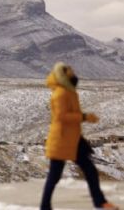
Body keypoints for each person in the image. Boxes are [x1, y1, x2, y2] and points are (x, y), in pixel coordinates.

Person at [41, 62, 118, 210]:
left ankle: (100, 202)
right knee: (55, 176)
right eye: (70, 70)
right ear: (63, 74)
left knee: (89, 170)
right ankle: (45, 207)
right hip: (62, 140)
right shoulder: (61, 93)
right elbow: (61, 116)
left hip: (73, 139)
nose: (74, 72)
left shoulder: (68, 91)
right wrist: (84, 117)